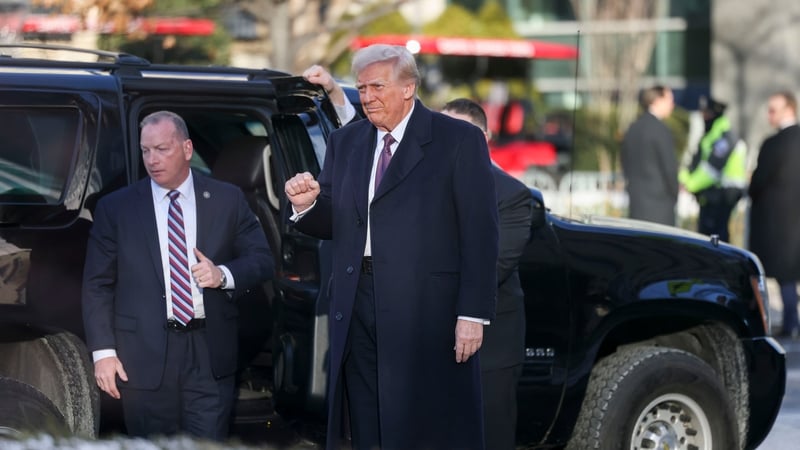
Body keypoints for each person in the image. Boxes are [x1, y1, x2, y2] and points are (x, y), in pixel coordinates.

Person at [286, 45, 499, 449]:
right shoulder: (346, 141)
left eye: (377, 86)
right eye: (362, 87)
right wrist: (307, 205)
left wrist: (472, 313)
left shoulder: (458, 140)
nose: (366, 97)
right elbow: (336, 219)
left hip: (427, 308)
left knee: (424, 424)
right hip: (357, 301)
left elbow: (480, 234)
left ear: (408, 88)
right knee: (366, 418)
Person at [82, 110, 273, 439]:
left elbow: (262, 259)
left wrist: (222, 274)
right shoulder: (117, 208)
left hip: (209, 352)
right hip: (142, 355)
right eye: (146, 151)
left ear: (187, 149)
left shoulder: (226, 199)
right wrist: (104, 353)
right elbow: (97, 285)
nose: (152, 159)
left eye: (162, 149)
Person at [441, 98, 533, 450]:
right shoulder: (419, 188)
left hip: (490, 351)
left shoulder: (510, 194)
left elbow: (492, 267)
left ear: (485, 137)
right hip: (428, 342)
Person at [748, 91, 800, 338]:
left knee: (784, 275)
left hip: (778, 222)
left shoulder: (774, 144)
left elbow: (757, 182)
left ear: (788, 109)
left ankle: (791, 323)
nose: (769, 115)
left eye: (773, 109)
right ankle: (792, 322)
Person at [679, 97, 747, 242]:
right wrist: (683, 179)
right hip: (710, 195)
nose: (704, 117)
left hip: (723, 195)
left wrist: (690, 185)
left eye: (707, 114)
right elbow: (695, 163)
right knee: (706, 236)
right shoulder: (710, 135)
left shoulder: (726, 136)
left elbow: (711, 169)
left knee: (717, 239)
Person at [621, 85, 679, 225]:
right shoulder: (661, 130)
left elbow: (624, 161)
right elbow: (669, 168)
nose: (672, 105)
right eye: (669, 100)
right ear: (657, 100)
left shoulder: (633, 128)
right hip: (660, 204)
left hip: (636, 201)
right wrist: (674, 194)